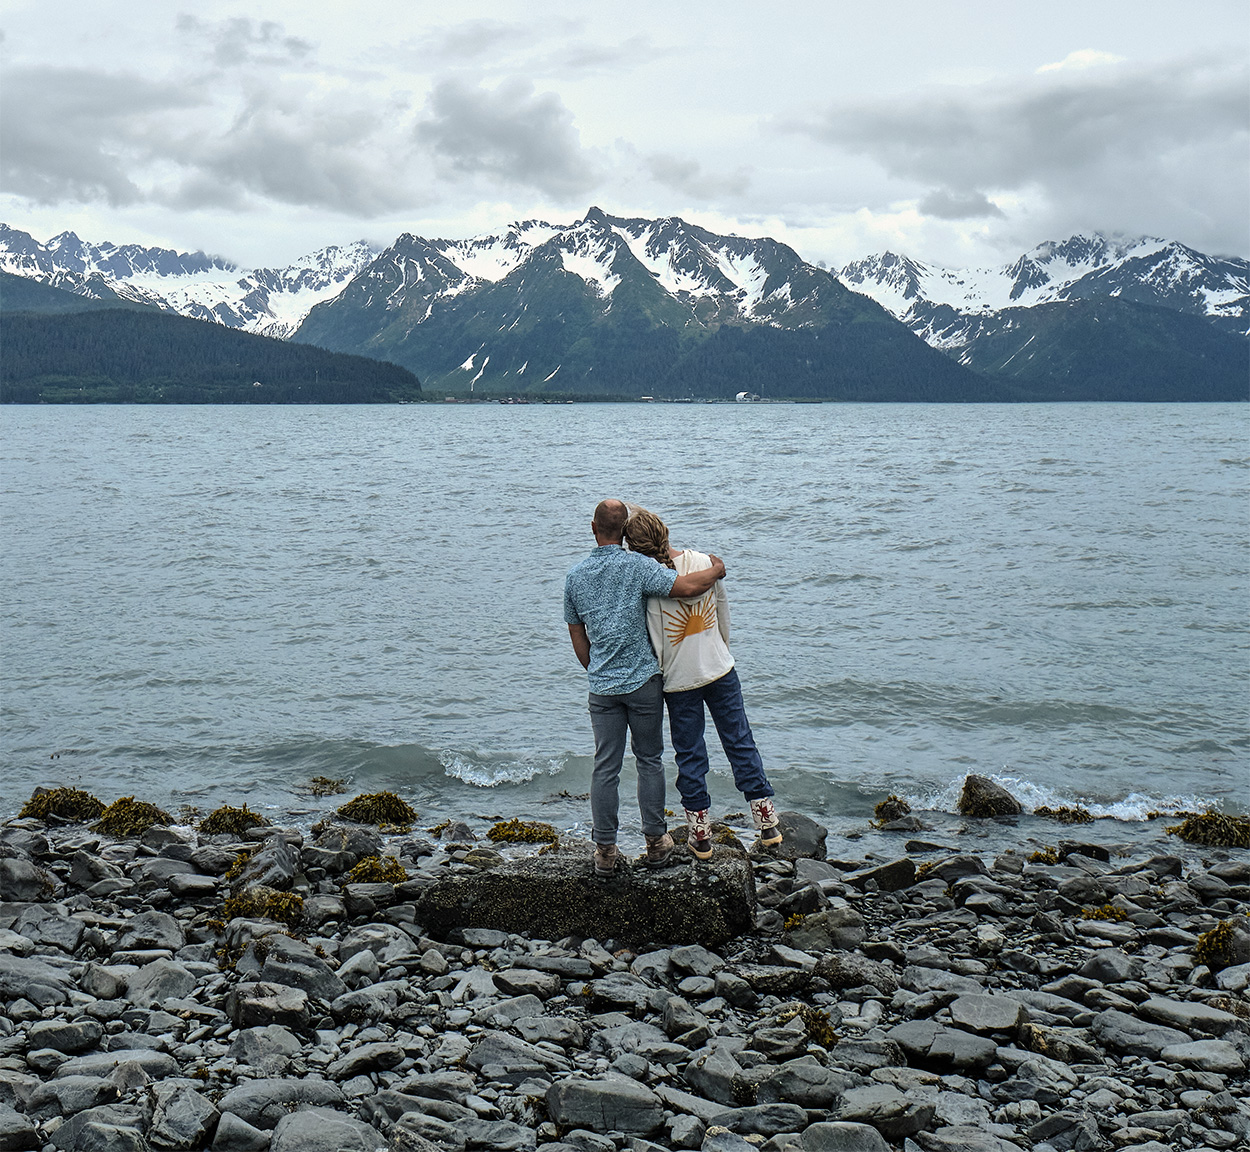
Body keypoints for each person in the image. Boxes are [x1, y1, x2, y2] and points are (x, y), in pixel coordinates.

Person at [564, 498, 726, 875]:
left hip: (602, 686)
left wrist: (597, 670)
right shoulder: (638, 566)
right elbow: (687, 587)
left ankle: (605, 850)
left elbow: (577, 635)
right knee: (649, 760)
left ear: (593, 528)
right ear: (624, 532)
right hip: (643, 683)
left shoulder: (575, 576)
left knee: (605, 765)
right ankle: (655, 842)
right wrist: (716, 569)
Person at [623, 506, 781, 859]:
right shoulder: (704, 562)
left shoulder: (647, 582)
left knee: (690, 755)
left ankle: (701, 835)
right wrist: (719, 650)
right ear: (665, 531)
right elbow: (723, 615)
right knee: (740, 741)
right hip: (720, 668)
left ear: (633, 547)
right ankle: (767, 821)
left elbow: (652, 639)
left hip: (679, 680)